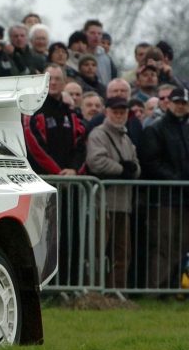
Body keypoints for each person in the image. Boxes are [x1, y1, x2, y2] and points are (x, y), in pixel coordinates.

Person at [24, 64, 87, 286]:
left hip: (71, 186)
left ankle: (69, 283)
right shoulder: (34, 112)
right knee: (47, 237)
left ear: (64, 82)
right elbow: (35, 147)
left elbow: (82, 143)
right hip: (47, 184)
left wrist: (74, 171)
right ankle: (47, 285)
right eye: (50, 79)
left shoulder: (72, 113)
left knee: (71, 236)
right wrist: (57, 172)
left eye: (58, 79)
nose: (54, 83)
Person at [137, 87, 189, 289]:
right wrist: (176, 179)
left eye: (184, 103)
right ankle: (156, 289)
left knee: (181, 246)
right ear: (169, 103)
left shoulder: (185, 129)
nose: (180, 106)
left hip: (184, 199)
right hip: (163, 198)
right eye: (177, 102)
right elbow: (151, 162)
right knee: (162, 246)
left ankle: (174, 287)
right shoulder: (155, 129)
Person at [85, 97, 139, 289]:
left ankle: (117, 291)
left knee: (122, 251)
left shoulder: (126, 138)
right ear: (106, 112)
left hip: (123, 204)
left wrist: (132, 169)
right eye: (115, 111)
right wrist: (120, 169)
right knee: (98, 250)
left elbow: (135, 164)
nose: (119, 115)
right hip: (103, 204)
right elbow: (95, 161)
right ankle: (93, 290)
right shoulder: (98, 135)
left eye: (122, 112)